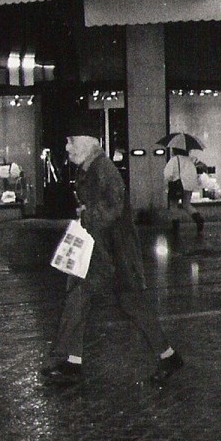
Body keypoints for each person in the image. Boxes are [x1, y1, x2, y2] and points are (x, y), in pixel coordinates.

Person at [44, 116, 184, 388]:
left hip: (114, 252)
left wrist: (87, 216)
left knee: (116, 302)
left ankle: (68, 360)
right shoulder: (88, 167)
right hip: (100, 250)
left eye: (71, 141)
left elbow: (113, 207)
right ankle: (72, 361)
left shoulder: (103, 169)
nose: (67, 146)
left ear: (86, 142)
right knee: (90, 299)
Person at [162, 147, 205, 237]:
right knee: (186, 204)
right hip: (189, 186)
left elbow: (168, 174)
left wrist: (170, 181)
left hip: (177, 185)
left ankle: (175, 228)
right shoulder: (190, 161)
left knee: (173, 205)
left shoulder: (174, 160)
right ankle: (198, 219)